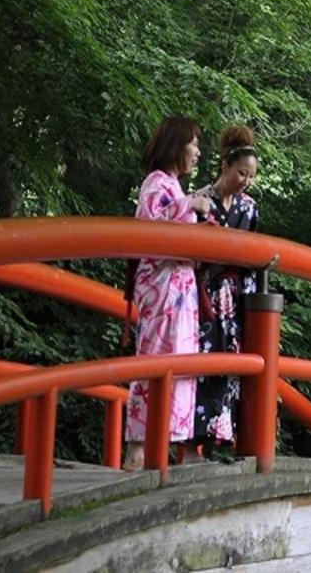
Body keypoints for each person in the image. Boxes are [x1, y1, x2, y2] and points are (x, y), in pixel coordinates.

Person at [123, 115, 211, 472]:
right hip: (161, 290)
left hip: (180, 289)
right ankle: (138, 450)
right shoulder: (156, 183)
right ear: (177, 145)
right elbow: (148, 228)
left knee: (179, 365)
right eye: (194, 144)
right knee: (153, 364)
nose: (198, 152)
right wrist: (189, 206)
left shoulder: (173, 186)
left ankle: (164, 446)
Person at [192, 124, 260, 457]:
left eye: (250, 176)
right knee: (203, 364)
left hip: (237, 298)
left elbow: (256, 257)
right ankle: (194, 440)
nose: (245, 181)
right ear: (225, 167)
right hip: (206, 294)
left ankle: (222, 442)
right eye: (241, 173)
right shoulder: (201, 200)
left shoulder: (249, 209)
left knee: (232, 367)